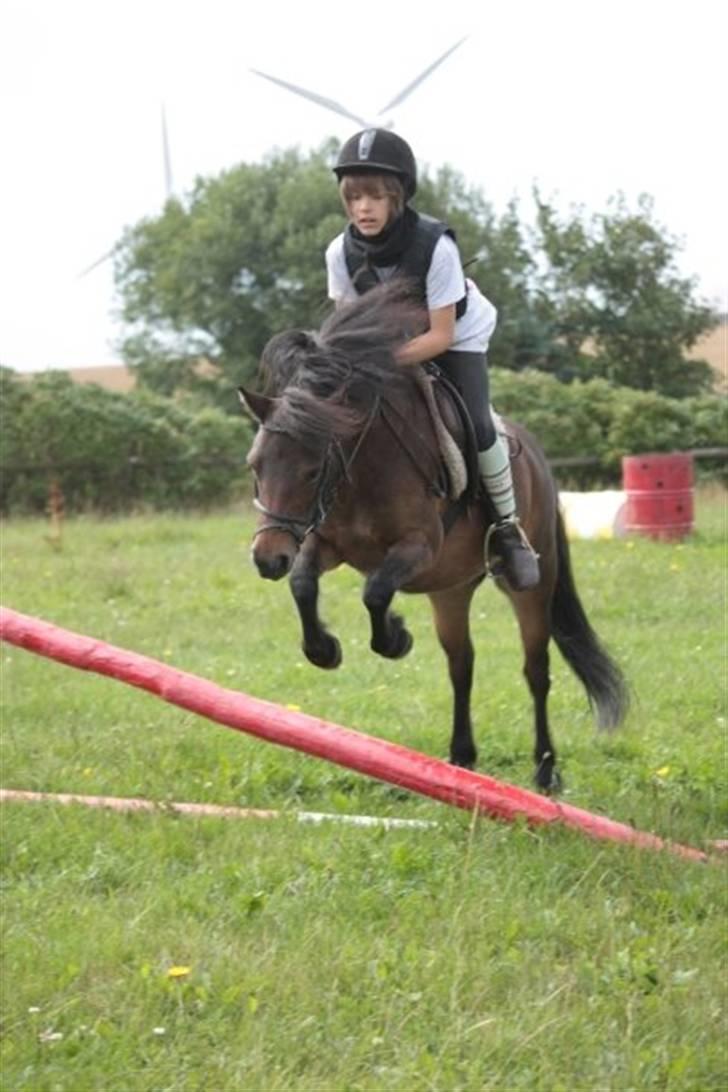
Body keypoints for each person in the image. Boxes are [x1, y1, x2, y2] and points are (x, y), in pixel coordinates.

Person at [325, 127, 540, 591]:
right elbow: (348, 330)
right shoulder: (338, 253)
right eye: (354, 197)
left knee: (478, 424)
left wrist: (382, 360)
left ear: (398, 198)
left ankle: (508, 530)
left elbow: (440, 335)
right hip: (385, 347)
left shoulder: (435, 246)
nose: (363, 208)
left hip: (457, 336)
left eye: (376, 198)